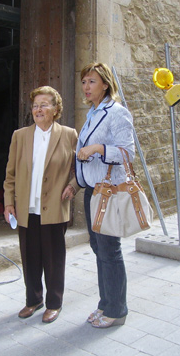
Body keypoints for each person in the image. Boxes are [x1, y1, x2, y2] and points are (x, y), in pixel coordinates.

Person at [3, 85, 79, 324]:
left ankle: (54, 303)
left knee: (54, 258)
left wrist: (74, 186)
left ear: (55, 109)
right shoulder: (20, 136)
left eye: (44, 105)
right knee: (30, 256)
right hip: (26, 208)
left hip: (54, 206)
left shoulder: (68, 134)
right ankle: (33, 300)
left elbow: (81, 167)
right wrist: (8, 203)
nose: (38, 109)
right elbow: (11, 174)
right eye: (35, 105)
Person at [75, 62, 135, 328]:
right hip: (93, 191)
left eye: (92, 82)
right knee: (98, 248)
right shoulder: (92, 113)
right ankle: (105, 303)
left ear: (106, 84)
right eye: (84, 82)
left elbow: (126, 153)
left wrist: (98, 148)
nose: (86, 87)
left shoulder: (117, 113)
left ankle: (117, 310)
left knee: (109, 250)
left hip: (109, 192)